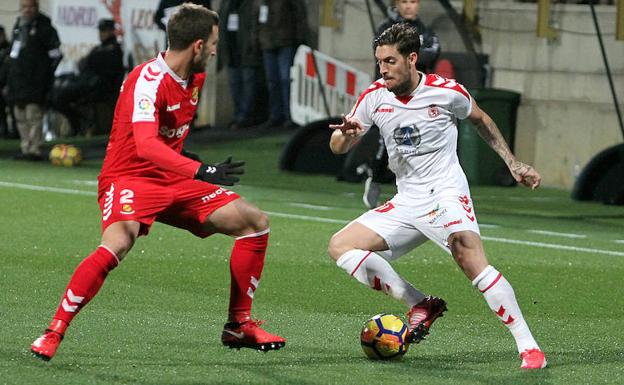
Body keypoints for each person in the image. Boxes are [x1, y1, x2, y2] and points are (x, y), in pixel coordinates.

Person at [31, 4, 285, 361]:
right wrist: (201, 171)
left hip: (174, 178)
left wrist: (190, 166)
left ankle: (238, 325)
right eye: (213, 43)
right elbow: (147, 146)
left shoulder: (195, 77)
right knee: (118, 242)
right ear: (198, 45)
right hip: (129, 177)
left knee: (254, 222)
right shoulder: (146, 80)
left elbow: (168, 143)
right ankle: (54, 331)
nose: (215, 50)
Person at [328, 23, 546, 370]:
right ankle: (420, 304)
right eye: (379, 62)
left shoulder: (447, 92)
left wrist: (512, 162)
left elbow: (482, 120)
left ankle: (529, 347)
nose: (382, 69)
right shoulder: (374, 96)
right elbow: (337, 147)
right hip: (407, 199)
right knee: (340, 246)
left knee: (468, 256)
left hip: (445, 192)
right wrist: (344, 135)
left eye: (390, 61)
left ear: (412, 59)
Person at [363, 0, 441, 208]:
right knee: (390, 141)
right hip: (391, 94)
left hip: (420, 96)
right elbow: (384, 54)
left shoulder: (427, 31)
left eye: (413, 1)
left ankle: (419, 191)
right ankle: (376, 180)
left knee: (418, 140)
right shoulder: (385, 30)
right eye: (404, 1)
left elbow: (433, 54)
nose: (409, 6)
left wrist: (403, 56)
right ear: (397, 4)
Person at [6, 0, 62, 160]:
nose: (27, 10)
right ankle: (25, 147)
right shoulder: (19, 27)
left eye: (30, 7)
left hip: (36, 81)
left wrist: (45, 74)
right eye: (24, 7)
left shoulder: (45, 28)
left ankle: (35, 148)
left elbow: (56, 54)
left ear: (36, 8)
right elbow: (13, 53)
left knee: (34, 115)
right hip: (18, 80)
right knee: (20, 115)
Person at [254, 0, 307, 129]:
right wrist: (257, 39)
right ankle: (275, 115)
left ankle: (289, 115)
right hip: (267, 42)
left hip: (285, 41)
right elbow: (256, 20)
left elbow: (299, 15)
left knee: (285, 80)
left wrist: (299, 38)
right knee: (272, 81)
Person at [218, 0, 262, 129]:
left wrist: (253, 46)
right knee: (235, 84)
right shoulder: (226, 4)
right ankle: (238, 114)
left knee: (248, 83)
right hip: (231, 51)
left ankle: (245, 115)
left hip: (246, 50)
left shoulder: (250, 4)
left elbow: (255, 26)